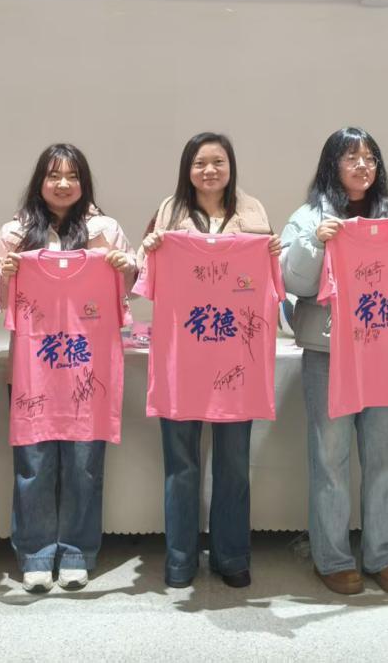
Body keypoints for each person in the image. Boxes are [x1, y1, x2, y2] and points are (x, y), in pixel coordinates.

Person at [279, 126, 388, 597]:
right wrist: (316, 243)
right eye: (351, 157)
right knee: (329, 459)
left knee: (384, 458)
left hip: (385, 353)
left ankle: (383, 554)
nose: (362, 166)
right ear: (332, 164)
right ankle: (331, 557)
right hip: (329, 352)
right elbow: (292, 280)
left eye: (369, 157)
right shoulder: (309, 217)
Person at [139, 132, 279, 589]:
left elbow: (266, 279)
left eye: (218, 162)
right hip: (182, 356)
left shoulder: (253, 212)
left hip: (237, 359)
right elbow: (144, 277)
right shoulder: (169, 211)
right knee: (181, 464)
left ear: (231, 166)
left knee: (234, 464)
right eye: (200, 163)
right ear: (188, 169)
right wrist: (150, 249)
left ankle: (231, 556)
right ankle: (180, 559)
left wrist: (272, 254)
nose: (209, 171)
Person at [0, 144, 135, 593]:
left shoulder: (105, 230)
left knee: (84, 466)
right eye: (53, 175)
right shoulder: (15, 233)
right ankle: (35, 553)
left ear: (84, 182)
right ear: (39, 181)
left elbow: (128, 290)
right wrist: (5, 273)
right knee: (33, 465)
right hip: (32, 369)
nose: (62, 184)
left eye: (72, 176)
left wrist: (125, 266)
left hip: (88, 369)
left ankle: (76, 552)